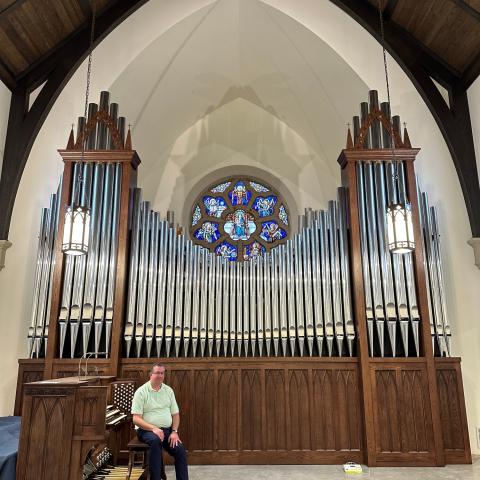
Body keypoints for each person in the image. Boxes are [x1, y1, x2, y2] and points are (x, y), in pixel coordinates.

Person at [131, 363, 189, 480]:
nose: (160, 375)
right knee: (155, 441)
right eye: (157, 373)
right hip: (146, 430)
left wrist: (174, 431)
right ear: (150, 374)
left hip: (167, 430)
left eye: (162, 373)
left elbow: (175, 414)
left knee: (180, 450)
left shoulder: (168, 391)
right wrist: (154, 428)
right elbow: (136, 419)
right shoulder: (141, 392)